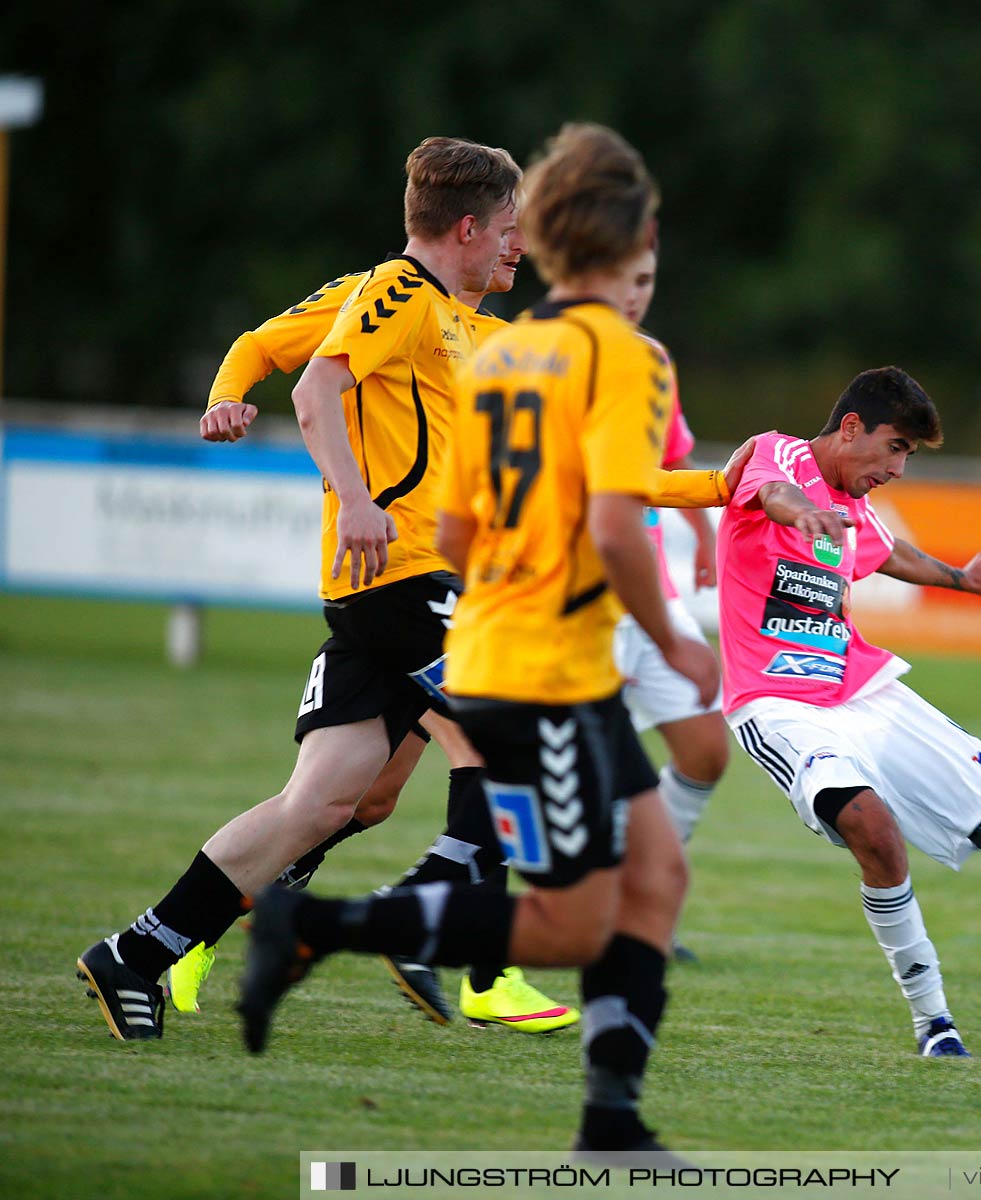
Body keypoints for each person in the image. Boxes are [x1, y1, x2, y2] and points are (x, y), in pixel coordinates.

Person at [236, 122, 712, 1156]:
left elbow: (456, 528)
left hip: (526, 659)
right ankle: (322, 926)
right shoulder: (631, 362)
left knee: (657, 875)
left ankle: (611, 1121)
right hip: (539, 674)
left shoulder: (508, 350)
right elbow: (618, 526)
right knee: (575, 924)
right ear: (629, 241)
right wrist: (676, 641)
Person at [174, 196, 575, 1034]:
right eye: (511, 235)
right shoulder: (376, 296)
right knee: (495, 744)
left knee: (371, 799)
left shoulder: (478, 337)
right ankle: (474, 963)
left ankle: (216, 917)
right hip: (399, 582)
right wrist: (225, 397)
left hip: (449, 582)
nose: (521, 252)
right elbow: (264, 349)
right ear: (469, 229)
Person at [716, 368, 981, 1057]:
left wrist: (962, 579)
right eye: (895, 447)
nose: (898, 468)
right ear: (851, 428)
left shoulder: (854, 505)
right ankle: (934, 1020)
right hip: (778, 702)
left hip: (865, 688)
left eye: (909, 456)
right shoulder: (779, 454)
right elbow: (773, 490)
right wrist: (798, 513)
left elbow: (887, 550)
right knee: (873, 830)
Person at [610, 243, 732, 961]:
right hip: (583, 592)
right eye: (625, 278)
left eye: (647, 279)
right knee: (561, 770)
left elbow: (670, 458)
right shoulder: (544, 353)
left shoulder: (653, 359)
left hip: (650, 587)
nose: (636, 293)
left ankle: (642, 897)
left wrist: (703, 535)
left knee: (706, 750)